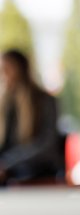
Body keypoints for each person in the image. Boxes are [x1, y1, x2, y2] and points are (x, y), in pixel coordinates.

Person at [0, 49, 63, 186]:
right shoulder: (6, 105)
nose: (2, 74)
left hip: (36, 175)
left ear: (20, 70)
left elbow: (46, 145)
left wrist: (7, 163)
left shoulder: (44, 101)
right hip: (9, 176)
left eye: (6, 69)